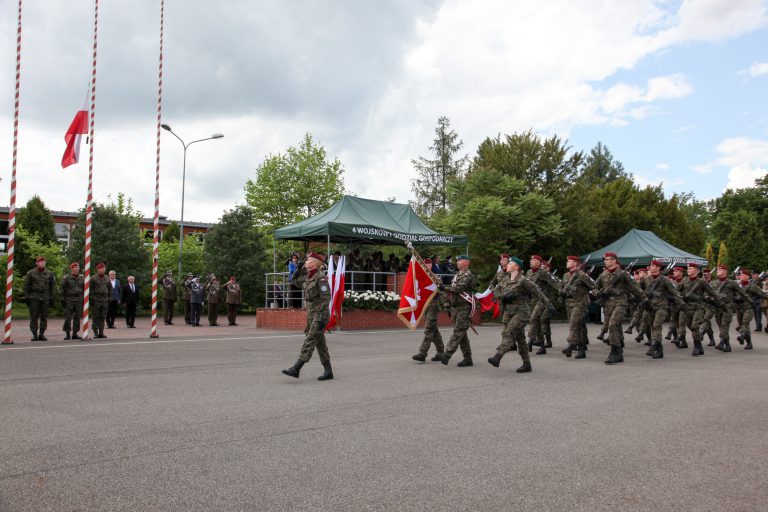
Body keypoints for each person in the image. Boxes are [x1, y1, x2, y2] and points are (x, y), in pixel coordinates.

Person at [487, 256, 550, 373]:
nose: (507, 265)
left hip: (521, 313)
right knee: (520, 339)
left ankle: (498, 356)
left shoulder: (523, 280)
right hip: (508, 312)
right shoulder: (505, 279)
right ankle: (527, 364)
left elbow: (537, 291)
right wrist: (503, 296)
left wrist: (547, 304)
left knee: (509, 333)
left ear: (516, 267)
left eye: (510, 264)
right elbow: (496, 292)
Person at [282, 252, 333, 380]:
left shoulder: (320, 278)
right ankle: (328, 371)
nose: (305, 262)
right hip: (311, 314)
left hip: (320, 314)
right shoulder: (308, 277)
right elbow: (294, 282)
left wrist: (320, 317)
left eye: (308, 261)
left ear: (315, 263)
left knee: (310, 340)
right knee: (320, 343)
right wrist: (298, 269)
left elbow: (326, 298)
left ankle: (296, 368)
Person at [594, 252, 647, 365]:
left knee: (613, 324)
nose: (605, 261)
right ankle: (618, 352)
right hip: (608, 304)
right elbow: (594, 286)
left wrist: (644, 299)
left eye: (607, 259)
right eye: (604, 259)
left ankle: (613, 352)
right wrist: (598, 293)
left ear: (614, 260)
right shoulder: (603, 274)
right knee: (615, 327)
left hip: (620, 302)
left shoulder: (623, 274)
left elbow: (635, 287)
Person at [435, 255, 476, 367]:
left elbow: (460, 288)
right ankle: (468, 359)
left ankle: (447, 354)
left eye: (460, 260)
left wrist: (445, 288)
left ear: (466, 262)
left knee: (458, 332)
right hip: (456, 308)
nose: (457, 262)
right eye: (457, 261)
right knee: (462, 335)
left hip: (464, 308)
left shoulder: (468, 275)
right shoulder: (458, 274)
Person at [676, 263, 723, 356]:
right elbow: (677, 292)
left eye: (691, 268)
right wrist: (681, 298)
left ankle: (696, 347)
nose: (688, 270)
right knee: (691, 327)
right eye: (688, 268)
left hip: (698, 308)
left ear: (696, 270)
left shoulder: (701, 282)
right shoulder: (684, 281)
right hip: (687, 308)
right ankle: (700, 346)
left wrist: (719, 302)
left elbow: (712, 292)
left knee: (694, 326)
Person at [642, 260, 686, 359]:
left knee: (657, 326)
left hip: (662, 306)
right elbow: (638, 290)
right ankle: (659, 350)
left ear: (658, 268)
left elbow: (674, 292)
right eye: (650, 266)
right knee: (653, 327)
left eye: (653, 266)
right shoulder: (646, 279)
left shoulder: (665, 280)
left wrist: (681, 303)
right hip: (650, 306)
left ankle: (653, 346)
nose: (650, 267)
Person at [560, 256, 596, 360]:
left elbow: (593, 285)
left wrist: (595, 295)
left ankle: (570, 345)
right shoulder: (566, 275)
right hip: (569, 303)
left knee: (573, 323)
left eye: (570, 261)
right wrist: (561, 292)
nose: (567, 262)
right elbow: (561, 285)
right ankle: (581, 350)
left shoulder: (582, 275)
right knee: (578, 326)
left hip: (580, 303)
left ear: (576, 263)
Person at [412, 258, 446, 362]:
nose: (427, 265)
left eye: (429, 263)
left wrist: (445, 302)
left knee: (428, 330)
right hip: (425, 307)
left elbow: (441, 292)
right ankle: (440, 352)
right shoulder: (420, 277)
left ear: (432, 265)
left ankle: (422, 353)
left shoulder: (435, 277)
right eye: (425, 264)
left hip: (433, 307)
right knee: (434, 330)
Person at [525, 255, 559, 354]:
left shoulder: (543, 272)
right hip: (532, 301)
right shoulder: (529, 272)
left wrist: (563, 293)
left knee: (533, 319)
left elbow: (555, 283)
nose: (531, 261)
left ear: (539, 263)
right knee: (538, 323)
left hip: (542, 300)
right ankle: (542, 345)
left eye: (534, 260)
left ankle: (530, 341)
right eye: (531, 259)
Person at [711, 264, 749, 353]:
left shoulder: (732, 283)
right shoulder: (714, 283)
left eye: (720, 270)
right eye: (717, 270)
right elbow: (710, 293)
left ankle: (721, 343)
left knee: (724, 325)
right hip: (718, 308)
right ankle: (727, 345)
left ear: (725, 272)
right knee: (721, 326)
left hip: (728, 307)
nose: (718, 271)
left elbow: (742, 293)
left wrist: (737, 300)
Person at [23, 255, 56, 341]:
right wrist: (26, 297)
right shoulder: (31, 273)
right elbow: (26, 286)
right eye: (41, 262)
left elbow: (53, 286)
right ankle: (34, 334)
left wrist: (52, 297)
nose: (43, 263)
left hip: (45, 297)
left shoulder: (50, 273)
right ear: (37, 263)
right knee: (34, 316)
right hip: (34, 297)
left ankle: (42, 334)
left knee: (44, 316)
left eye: (44, 262)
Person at [737, 269, 768, 350]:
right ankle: (749, 343)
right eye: (740, 275)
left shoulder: (751, 286)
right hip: (739, 309)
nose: (741, 276)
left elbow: (762, 294)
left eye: (743, 275)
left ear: (747, 277)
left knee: (745, 322)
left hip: (749, 308)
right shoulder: (737, 286)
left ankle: (742, 336)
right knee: (743, 326)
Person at [60, 261, 84, 340]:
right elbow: (62, 289)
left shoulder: (82, 277)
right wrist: (63, 299)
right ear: (71, 269)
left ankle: (75, 333)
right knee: (68, 317)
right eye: (75, 267)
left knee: (77, 317)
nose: (77, 269)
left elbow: (85, 289)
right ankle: (67, 333)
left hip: (79, 300)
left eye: (78, 267)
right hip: (69, 300)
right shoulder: (66, 278)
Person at [91, 262, 112, 338]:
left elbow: (110, 288)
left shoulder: (107, 278)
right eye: (101, 268)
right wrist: (91, 300)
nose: (103, 270)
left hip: (105, 300)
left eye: (104, 268)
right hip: (96, 300)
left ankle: (101, 332)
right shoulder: (93, 278)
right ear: (97, 269)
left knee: (103, 316)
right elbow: (90, 290)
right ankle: (95, 332)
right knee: (96, 316)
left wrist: (110, 298)